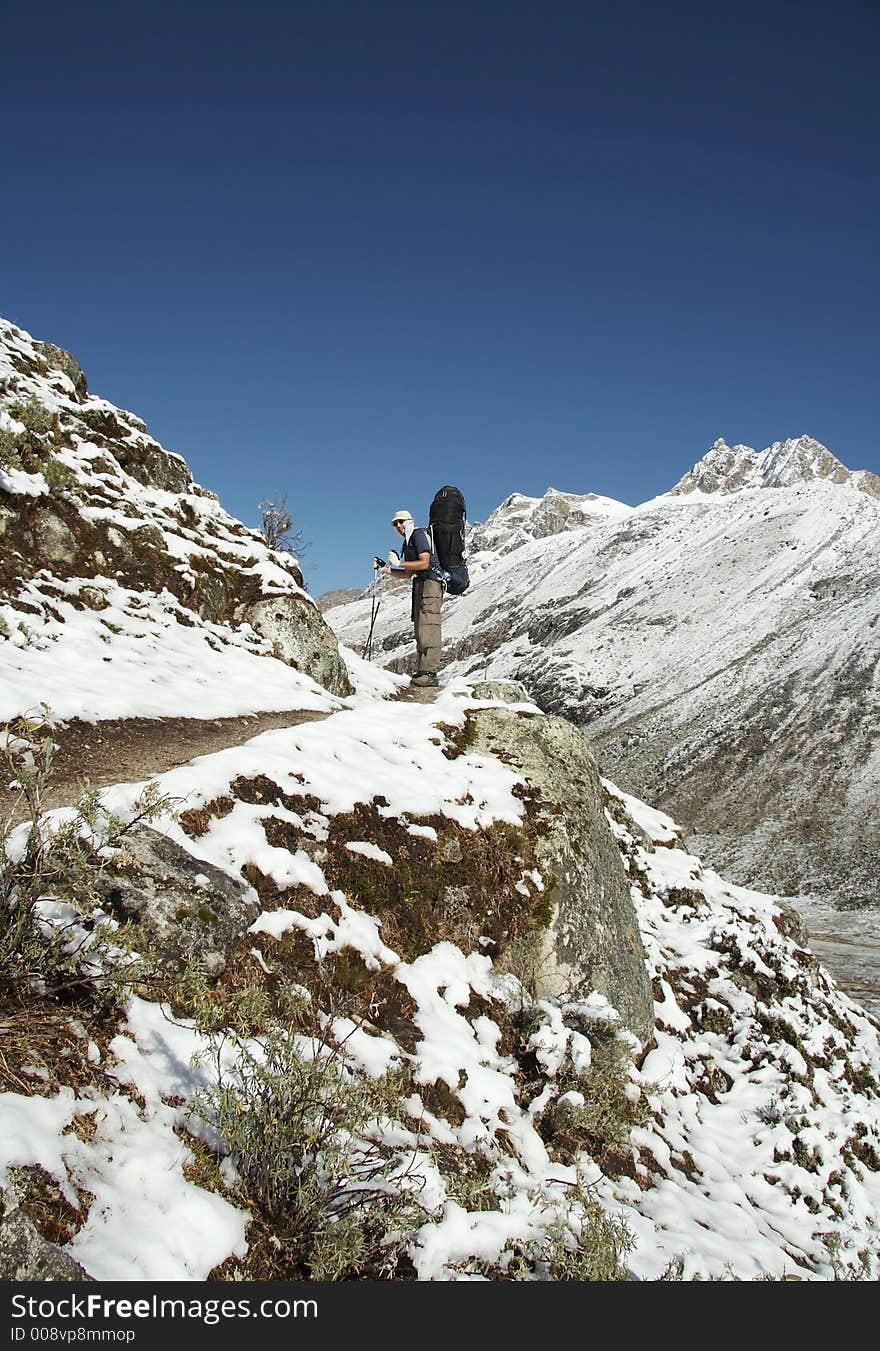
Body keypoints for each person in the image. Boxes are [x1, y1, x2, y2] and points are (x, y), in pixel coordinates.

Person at [382, 509, 443, 686]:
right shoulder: (407, 543)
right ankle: (422, 671)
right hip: (420, 584)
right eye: (395, 524)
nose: (398, 526)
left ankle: (430, 673)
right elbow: (408, 574)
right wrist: (385, 569)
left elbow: (424, 562)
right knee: (419, 626)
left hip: (431, 582)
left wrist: (398, 562)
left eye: (401, 522)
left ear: (409, 521)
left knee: (429, 625)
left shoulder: (418, 535)